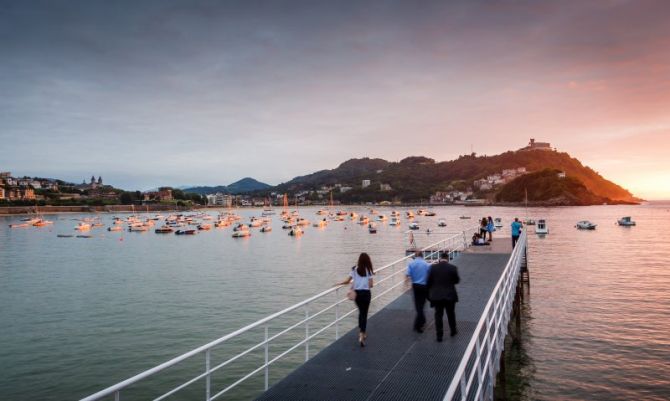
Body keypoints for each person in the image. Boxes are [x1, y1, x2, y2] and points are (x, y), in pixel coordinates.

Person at [338, 253, 374, 347]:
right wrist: (365, 281)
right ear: (367, 261)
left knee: (361, 312)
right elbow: (371, 285)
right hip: (366, 294)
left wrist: (339, 283)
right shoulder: (368, 270)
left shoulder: (354, 269)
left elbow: (347, 281)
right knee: (364, 313)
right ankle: (362, 334)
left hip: (357, 294)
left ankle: (361, 331)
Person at [427, 251, 460, 342]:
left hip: (437, 296)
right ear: (448, 259)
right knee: (451, 314)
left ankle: (439, 336)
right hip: (450, 295)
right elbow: (457, 281)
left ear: (440, 259)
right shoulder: (453, 268)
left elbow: (429, 282)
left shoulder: (433, 268)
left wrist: (430, 294)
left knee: (438, 315)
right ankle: (453, 331)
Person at [406, 251, 431, 333]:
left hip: (415, 286)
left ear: (415, 256)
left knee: (418, 305)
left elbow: (407, 275)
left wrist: (406, 284)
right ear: (422, 256)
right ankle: (419, 324)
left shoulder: (411, 264)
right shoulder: (426, 264)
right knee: (422, 305)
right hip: (424, 286)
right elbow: (430, 275)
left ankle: (419, 323)